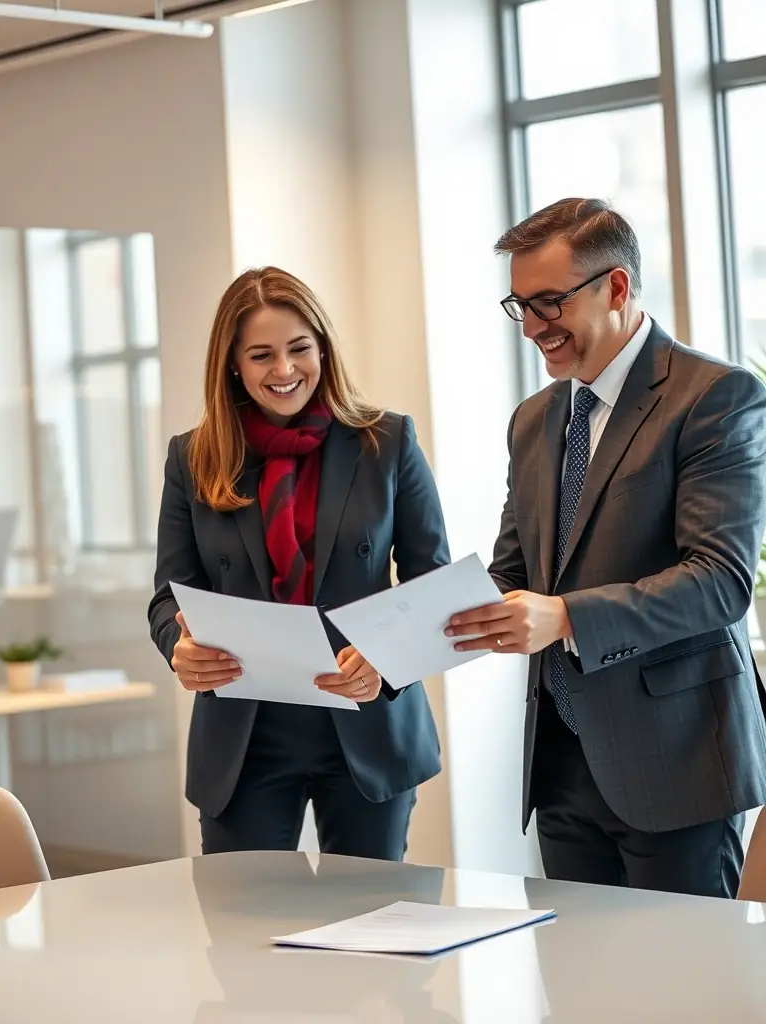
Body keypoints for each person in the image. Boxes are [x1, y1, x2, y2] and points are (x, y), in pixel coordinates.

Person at [446, 198, 766, 897]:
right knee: (581, 995)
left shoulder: (715, 397)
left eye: (550, 302)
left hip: (677, 766)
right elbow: (512, 574)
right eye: (520, 305)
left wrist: (564, 618)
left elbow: (719, 581)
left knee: (683, 998)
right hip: (561, 763)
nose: (532, 327)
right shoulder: (535, 419)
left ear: (616, 288)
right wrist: (400, 640)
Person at [148, 267, 449, 861]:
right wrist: (177, 649)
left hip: (367, 719)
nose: (284, 371)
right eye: (261, 355)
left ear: (323, 348)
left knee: (374, 936)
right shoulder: (195, 457)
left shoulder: (386, 442)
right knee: (242, 933)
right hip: (245, 735)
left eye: (299, 349)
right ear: (232, 363)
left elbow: (433, 585)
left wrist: (386, 660)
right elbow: (170, 596)